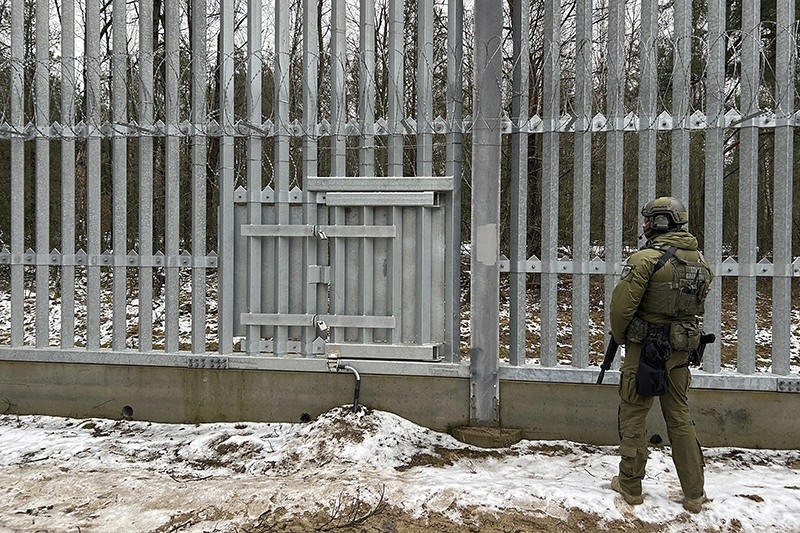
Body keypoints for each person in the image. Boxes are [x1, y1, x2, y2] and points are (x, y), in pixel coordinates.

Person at [609, 197, 713, 513]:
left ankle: (630, 486)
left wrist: (623, 337)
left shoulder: (645, 260)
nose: (644, 225)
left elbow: (621, 309)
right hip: (680, 350)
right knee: (679, 415)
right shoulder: (701, 261)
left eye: (648, 220)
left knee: (633, 411)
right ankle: (694, 492)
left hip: (645, 350)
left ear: (660, 222)